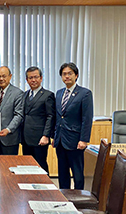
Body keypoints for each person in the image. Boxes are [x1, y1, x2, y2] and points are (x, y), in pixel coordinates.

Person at [53, 62, 93, 190]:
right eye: (64, 74)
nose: (67, 76)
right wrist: (54, 136)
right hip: (60, 140)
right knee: (62, 172)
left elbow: (87, 118)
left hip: (75, 140)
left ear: (76, 75)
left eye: (70, 73)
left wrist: (84, 139)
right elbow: (57, 116)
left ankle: (79, 198)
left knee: (77, 173)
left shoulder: (84, 93)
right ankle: (64, 196)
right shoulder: (59, 93)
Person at [21, 66, 55, 174]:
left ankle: (45, 189)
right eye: (30, 78)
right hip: (26, 137)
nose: (33, 80)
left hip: (40, 138)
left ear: (41, 78)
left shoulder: (47, 95)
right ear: (27, 80)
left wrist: (46, 135)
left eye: (36, 77)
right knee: (27, 166)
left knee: (40, 165)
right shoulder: (25, 95)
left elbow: (50, 116)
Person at [0, 66, 23, 155]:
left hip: (10, 138)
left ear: (10, 76)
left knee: (8, 166)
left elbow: (19, 115)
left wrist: (8, 129)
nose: (1, 79)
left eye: (4, 76)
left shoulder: (18, 93)